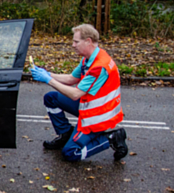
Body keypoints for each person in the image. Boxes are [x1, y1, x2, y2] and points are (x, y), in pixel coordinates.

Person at [31, 24, 128, 161]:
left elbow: (75, 94)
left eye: (76, 41)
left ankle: (111, 137)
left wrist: (48, 80)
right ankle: (65, 134)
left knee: (71, 153)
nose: (73, 45)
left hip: (98, 117)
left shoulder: (99, 67)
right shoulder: (89, 58)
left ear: (88, 41)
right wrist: (48, 74)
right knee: (51, 98)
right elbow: (71, 79)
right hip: (90, 109)